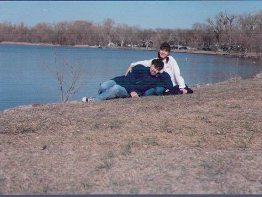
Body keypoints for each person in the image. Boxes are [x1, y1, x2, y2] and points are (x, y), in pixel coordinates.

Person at [82, 59, 173, 102]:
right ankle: (99, 97)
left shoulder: (156, 79)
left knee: (116, 88)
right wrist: (132, 90)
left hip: (126, 91)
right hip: (121, 81)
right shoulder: (140, 68)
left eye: (158, 69)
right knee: (104, 85)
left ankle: (94, 100)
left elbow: (169, 85)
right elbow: (129, 79)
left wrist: (162, 72)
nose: (155, 70)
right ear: (151, 65)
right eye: (154, 67)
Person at [125, 42, 192, 96]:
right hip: (161, 84)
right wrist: (131, 65)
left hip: (172, 84)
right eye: (162, 50)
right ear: (159, 50)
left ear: (168, 53)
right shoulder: (155, 61)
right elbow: (144, 62)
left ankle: (180, 89)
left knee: (159, 90)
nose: (163, 52)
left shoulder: (171, 60)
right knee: (153, 90)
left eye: (166, 51)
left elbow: (177, 74)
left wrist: (181, 86)